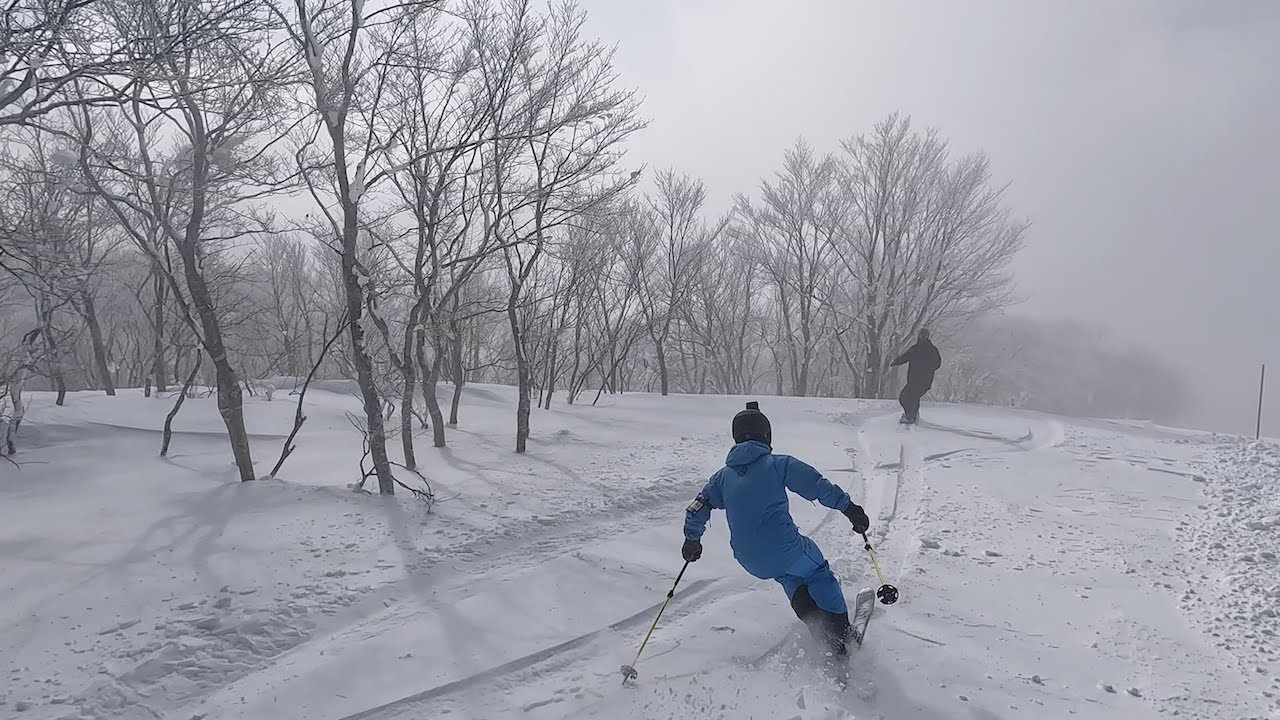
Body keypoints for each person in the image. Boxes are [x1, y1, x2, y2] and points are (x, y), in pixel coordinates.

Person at [681, 401, 871, 665]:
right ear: (767, 436)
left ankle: (817, 626)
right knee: (817, 571)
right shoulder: (778, 464)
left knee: (788, 576)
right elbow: (817, 486)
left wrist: (692, 540)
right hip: (786, 547)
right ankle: (841, 636)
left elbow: (697, 508)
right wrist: (850, 509)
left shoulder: (722, 477)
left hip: (749, 560)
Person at [890, 328, 942, 424]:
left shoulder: (932, 350)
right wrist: (895, 362)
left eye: (924, 335)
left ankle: (910, 416)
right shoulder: (915, 349)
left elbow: (937, 364)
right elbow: (905, 357)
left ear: (927, 337)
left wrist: (927, 367)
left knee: (908, 397)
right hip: (913, 380)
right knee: (908, 397)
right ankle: (911, 414)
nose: (922, 337)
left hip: (924, 380)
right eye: (921, 335)